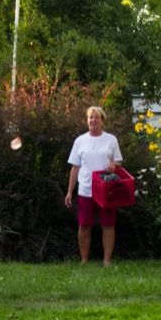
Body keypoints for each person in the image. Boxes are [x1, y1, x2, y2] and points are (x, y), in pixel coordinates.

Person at [66, 106, 125, 265]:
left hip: (106, 189)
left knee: (108, 225)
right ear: (87, 120)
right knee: (84, 225)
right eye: (90, 118)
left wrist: (114, 164)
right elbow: (75, 167)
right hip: (85, 189)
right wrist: (70, 191)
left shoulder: (111, 140)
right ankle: (84, 260)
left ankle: (107, 261)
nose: (93, 120)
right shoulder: (80, 141)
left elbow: (118, 161)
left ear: (102, 120)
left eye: (96, 117)